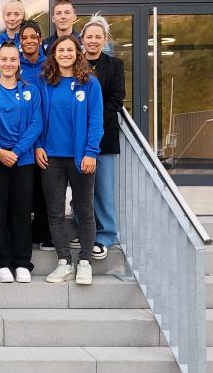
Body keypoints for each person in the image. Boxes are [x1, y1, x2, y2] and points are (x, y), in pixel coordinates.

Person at [35, 35, 104, 286]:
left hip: (80, 157)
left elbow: (96, 120)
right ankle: (64, 261)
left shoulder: (90, 84)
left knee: (84, 209)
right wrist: (38, 146)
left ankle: (84, 261)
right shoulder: (44, 82)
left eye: (70, 50)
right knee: (54, 211)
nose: (65, 54)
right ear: (53, 54)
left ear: (78, 53)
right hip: (51, 157)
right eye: (60, 50)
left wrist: (91, 152)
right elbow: (37, 118)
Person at [0, 43, 42, 283]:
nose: (8, 63)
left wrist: (16, 151)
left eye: (12, 59)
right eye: (3, 59)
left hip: (22, 160)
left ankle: (22, 261)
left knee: (22, 211)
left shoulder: (31, 90)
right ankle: (0, 262)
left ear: (19, 62)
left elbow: (36, 123)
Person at [79, 14, 125, 261]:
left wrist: (92, 124)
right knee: (80, 189)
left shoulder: (114, 65)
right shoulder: (75, 64)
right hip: (75, 139)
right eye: (89, 37)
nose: (93, 41)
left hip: (104, 137)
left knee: (103, 189)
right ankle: (84, 230)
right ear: (82, 39)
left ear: (104, 39)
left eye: (98, 37)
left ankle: (105, 234)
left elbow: (116, 100)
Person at [18, 20, 53, 251]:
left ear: (40, 39)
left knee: (44, 188)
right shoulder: (15, 65)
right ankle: (25, 234)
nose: (29, 41)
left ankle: (44, 233)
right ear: (19, 42)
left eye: (33, 37)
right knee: (25, 190)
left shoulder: (49, 65)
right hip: (21, 137)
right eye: (25, 38)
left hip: (46, 135)